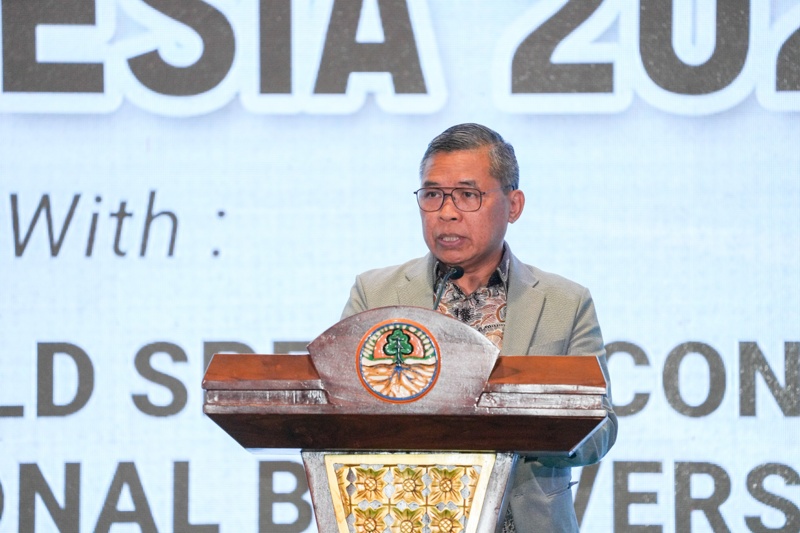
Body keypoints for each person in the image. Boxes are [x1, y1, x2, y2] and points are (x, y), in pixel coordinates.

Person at [341, 123, 617, 532]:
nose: (447, 212)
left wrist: (514, 426)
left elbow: (601, 429)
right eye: (432, 195)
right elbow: (340, 408)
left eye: (468, 195)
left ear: (514, 205)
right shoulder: (375, 294)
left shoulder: (564, 303)